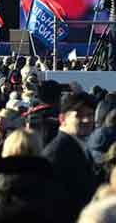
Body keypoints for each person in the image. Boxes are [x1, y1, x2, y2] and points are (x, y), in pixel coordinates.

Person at [42, 92, 98, 220]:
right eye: (79, 115)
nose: (87, 120)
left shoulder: (79, 146)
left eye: (90, 115)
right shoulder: (56, 153)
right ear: (62, 119)